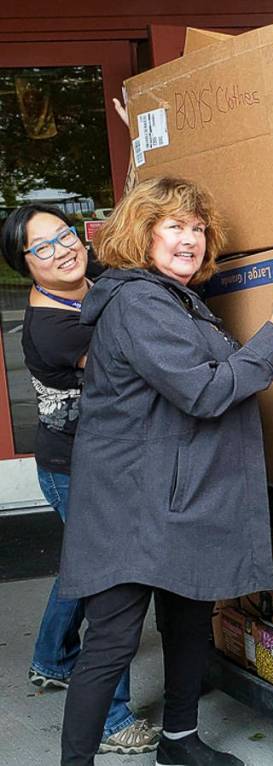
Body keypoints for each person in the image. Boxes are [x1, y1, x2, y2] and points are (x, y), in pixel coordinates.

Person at [56, 176, 273, 766]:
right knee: (111, 642)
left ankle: (179, 741)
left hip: (173, 491)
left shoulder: (175, 297)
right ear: (142, 234)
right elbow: (203, 391)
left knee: (187, 619)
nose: (190, 240)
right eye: (174, 226)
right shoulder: (138, 301)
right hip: (130, 500)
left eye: (198, 229)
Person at [0, 205, 161, 755]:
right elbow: (134, 359)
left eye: (64, 235)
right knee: (109, 587)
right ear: (23, 265)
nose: (61, 249)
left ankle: (50, 658)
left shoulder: (87, 282)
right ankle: (113, 722)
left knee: (81, 567)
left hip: (89, 459)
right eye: (41, 247)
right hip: (78, 469)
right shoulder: (52, 327)